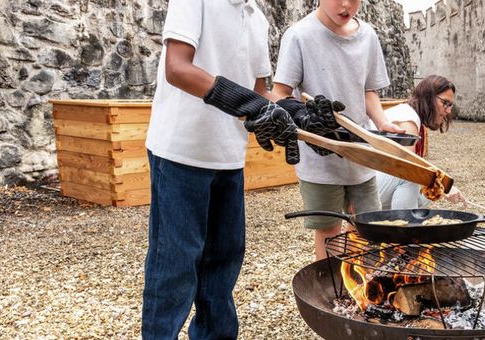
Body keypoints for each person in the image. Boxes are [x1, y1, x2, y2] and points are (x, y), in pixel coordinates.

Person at [142, 1, 339, 338]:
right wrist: (247, 103)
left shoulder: (256, 17)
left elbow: (259, 92)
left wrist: (297, 115)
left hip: (228, 156)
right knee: (174, 265)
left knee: (223, 264)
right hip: (180, 151)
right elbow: (177, 68)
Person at [272, 0, 406, 260]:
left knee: (368, 228)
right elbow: (280, 94)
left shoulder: (368, 35)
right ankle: (330, 292)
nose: (346, 5)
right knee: (329, 231)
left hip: (361, 155)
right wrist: (302, 117)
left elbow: (368, 91)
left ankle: (365, 291)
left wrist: (381, 122)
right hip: (318, 158)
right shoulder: (300, 35)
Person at [374, 75, 466, 210]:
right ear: (428, 99)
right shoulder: (408, 119)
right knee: (411, 175)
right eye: (445, 103)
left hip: (375, 183)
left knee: (425, 195)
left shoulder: (410, 114)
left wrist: (440, 187)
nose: (448, 111)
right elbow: (410, 168)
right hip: (363, 188)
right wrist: (445, 186)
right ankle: (404, 227)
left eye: (450, 105)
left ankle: (402, 224)